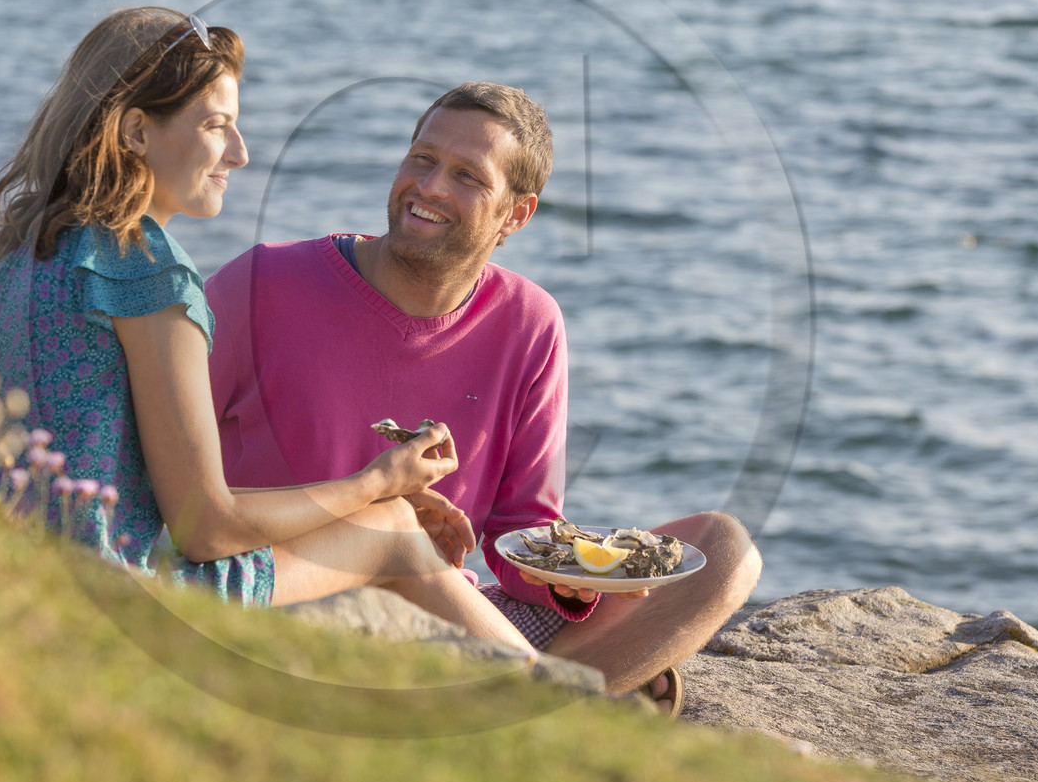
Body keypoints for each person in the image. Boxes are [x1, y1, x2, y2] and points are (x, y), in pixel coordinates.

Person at [0, 9, 535, 656]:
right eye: (216, 126)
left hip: (14, 574)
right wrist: (379, 483)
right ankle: (570, 708)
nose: (239, 152)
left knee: (378, 517)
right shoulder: (150, 272)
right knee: (398, 530)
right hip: (123, 600)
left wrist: (357, 498)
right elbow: (205, 528)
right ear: (136, 133)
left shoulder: (16, 256)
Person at [205, 81, 762, 705]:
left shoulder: (530, 322)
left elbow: (522, 528)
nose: (431, 187)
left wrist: (563, 583)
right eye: (422, 158)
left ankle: (532, 686)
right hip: (283, 593)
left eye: (468, 176)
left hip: (449, 604)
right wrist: (362, 512)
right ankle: (569, 702)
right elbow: (172, 487)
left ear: (516, 215)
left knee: (722, 550)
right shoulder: (261, 285)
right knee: (392, 535)